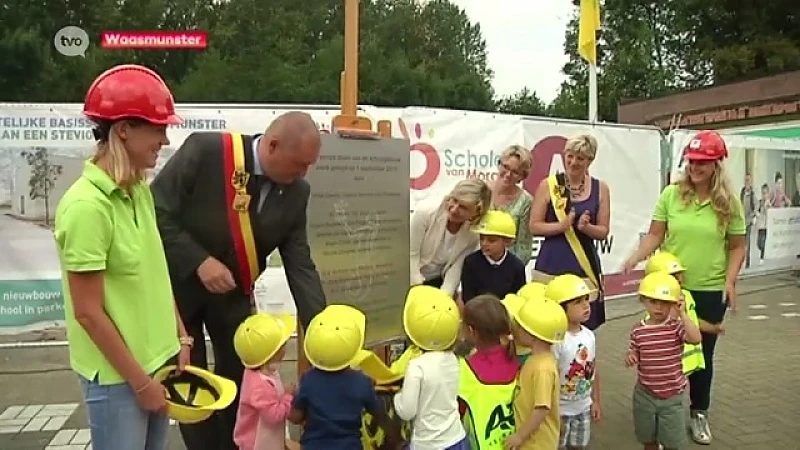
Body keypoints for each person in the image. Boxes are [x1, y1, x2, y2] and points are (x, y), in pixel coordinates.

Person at [150, 111, 327, 450]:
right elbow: (154, 211)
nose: (304, 173)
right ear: (273, 146)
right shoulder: (207, 152)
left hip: (232, 300)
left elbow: (299, 263)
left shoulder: (296, 193)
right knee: (191, 384)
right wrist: (199, 261)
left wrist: (322, 328)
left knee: (241, 383)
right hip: (178, 297)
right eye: (299, 164)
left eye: (309, 166)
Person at [53, 64, 192, 450]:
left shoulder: (138, 190)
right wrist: (142, 383)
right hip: (119, 379)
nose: (164, 139)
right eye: (158, 127)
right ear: (124, 129)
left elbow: (155, 272)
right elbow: (88, 313)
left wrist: (180, 334)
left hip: (156, 363)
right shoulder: (86, 206)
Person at [622, 130, 746, 445]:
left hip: (708, 289)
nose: (695, 167)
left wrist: (730, 280)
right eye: (692, 160)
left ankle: (698, 412)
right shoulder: (671, 194)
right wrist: (635, 258)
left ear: (716, 163)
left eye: (703, 161)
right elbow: (654, 235)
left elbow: (737, 246)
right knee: (664, 351)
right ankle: (663, 413)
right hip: (670, 288)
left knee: (700, 354)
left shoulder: (729, 203)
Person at [529, 134, 610, 331]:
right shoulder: (548, 185)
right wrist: (561, 226)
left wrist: (586, 228)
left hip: (583, 265)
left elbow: (603, 231)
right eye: (570, 156)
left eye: (580, 158)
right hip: (551, 262)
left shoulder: (601, 189)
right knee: (548, 323)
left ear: (590, 160)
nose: (573, 162)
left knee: (584, 327)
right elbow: (534, 226)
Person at [290, 304, 392, 449]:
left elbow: (295, 417)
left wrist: (291, 396)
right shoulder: (361, 382)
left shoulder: (308, 379)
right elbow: (379, 413)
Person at [625, 272, 702, 450]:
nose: (659, 307)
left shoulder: (676, 327)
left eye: (665, 302)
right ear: (643, 300)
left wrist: (682, 314)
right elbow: (634, 350)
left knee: (672, 442)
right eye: (653, 301)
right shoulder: (638, 330)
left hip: (672, 396)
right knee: (647, 438)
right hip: (645, 394)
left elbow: (696, 338)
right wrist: (631, 356)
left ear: (673, 303)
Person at [394, 285, 468, 450]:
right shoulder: (454, 360)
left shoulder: (417, 366)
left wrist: (397, 397)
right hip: (456, 438)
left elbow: (407, 411)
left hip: (427, 443)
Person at [643, 252, 726, 376]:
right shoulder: (658, 306)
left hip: (693, 364)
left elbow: (693, 320)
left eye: (679, 275)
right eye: (673, 276)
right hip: (673, 367)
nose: (679, 279)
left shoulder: (686, 295)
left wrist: (712, 328)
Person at [504, 294, 568, 450]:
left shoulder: (542, 368)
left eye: (520, 326)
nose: (516, 330)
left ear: (532, 335)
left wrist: (520, 436)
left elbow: (542, 408)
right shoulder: (538, 359)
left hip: (536, 443)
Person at [410, 178, 493, 297]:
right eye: (454, 200)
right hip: (409, 277)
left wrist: (444, 297)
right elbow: (411, 254)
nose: (454, 209)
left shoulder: (474, 233)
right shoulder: (425, 212)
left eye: (463, 207)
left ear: (477, 212)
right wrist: (418, 290)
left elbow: (455, 270)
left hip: (437, 282)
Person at [546, 274, 601, 450]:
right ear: (561, 308)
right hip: (561, 412)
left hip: (583, 408)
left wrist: (596, 401)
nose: (586, 305)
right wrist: (553, 415)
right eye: (577, 302)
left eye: (586, 299)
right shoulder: (557, 341)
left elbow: (593, 369)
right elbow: (550, 380)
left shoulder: (589, 335)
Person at [458, 295, 520, 450]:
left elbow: (458, 411)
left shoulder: (465, 368)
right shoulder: (516, 360)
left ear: (472, 331)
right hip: (513, 442)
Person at [232, 313, 296, 450]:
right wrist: (288, 396)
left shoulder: (261, 370)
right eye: (282, 344)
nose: (285, 346)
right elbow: (274, 415)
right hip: (258, 443)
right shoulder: (259, 385)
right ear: (272, 354)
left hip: (267, 438)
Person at [461, 210, 527, 303]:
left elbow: (518, 299)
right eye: (482, 238)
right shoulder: (471, 262)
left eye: (491, 240)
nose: (484, 243)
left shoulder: (517, 266)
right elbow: (468, 298)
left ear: (507, 241)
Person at [491, 145, 534, 264]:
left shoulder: (526, 201)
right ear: (499, 164)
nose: (508, 174)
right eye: (506, 167)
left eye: (515, 172)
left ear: (522, 177)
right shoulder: (482, 191)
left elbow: (524, 246)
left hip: (508, 268)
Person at [739, 174, 756, 269]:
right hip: (742, 221)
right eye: (746, 180)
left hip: (748, 221)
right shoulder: (742, 193)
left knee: (748, 243)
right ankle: (741, 261)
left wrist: (753, 215)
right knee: (741, 244)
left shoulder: (752, 194)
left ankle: (747, 262)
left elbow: (756, 206)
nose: (747, 182)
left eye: (748, 180)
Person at [755, 183, 770, 265]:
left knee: (763, 241)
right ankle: (762, 250)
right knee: (758, 243)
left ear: (768, 193)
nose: (764, 195)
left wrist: (767, 206)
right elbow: (756, 210)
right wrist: (757, 214)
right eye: (763, 193)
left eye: (765, 193)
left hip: (765, 225)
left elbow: (770, 212)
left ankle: (762, 258)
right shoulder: (760, 202)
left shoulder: (768, 203)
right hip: (760, 225)